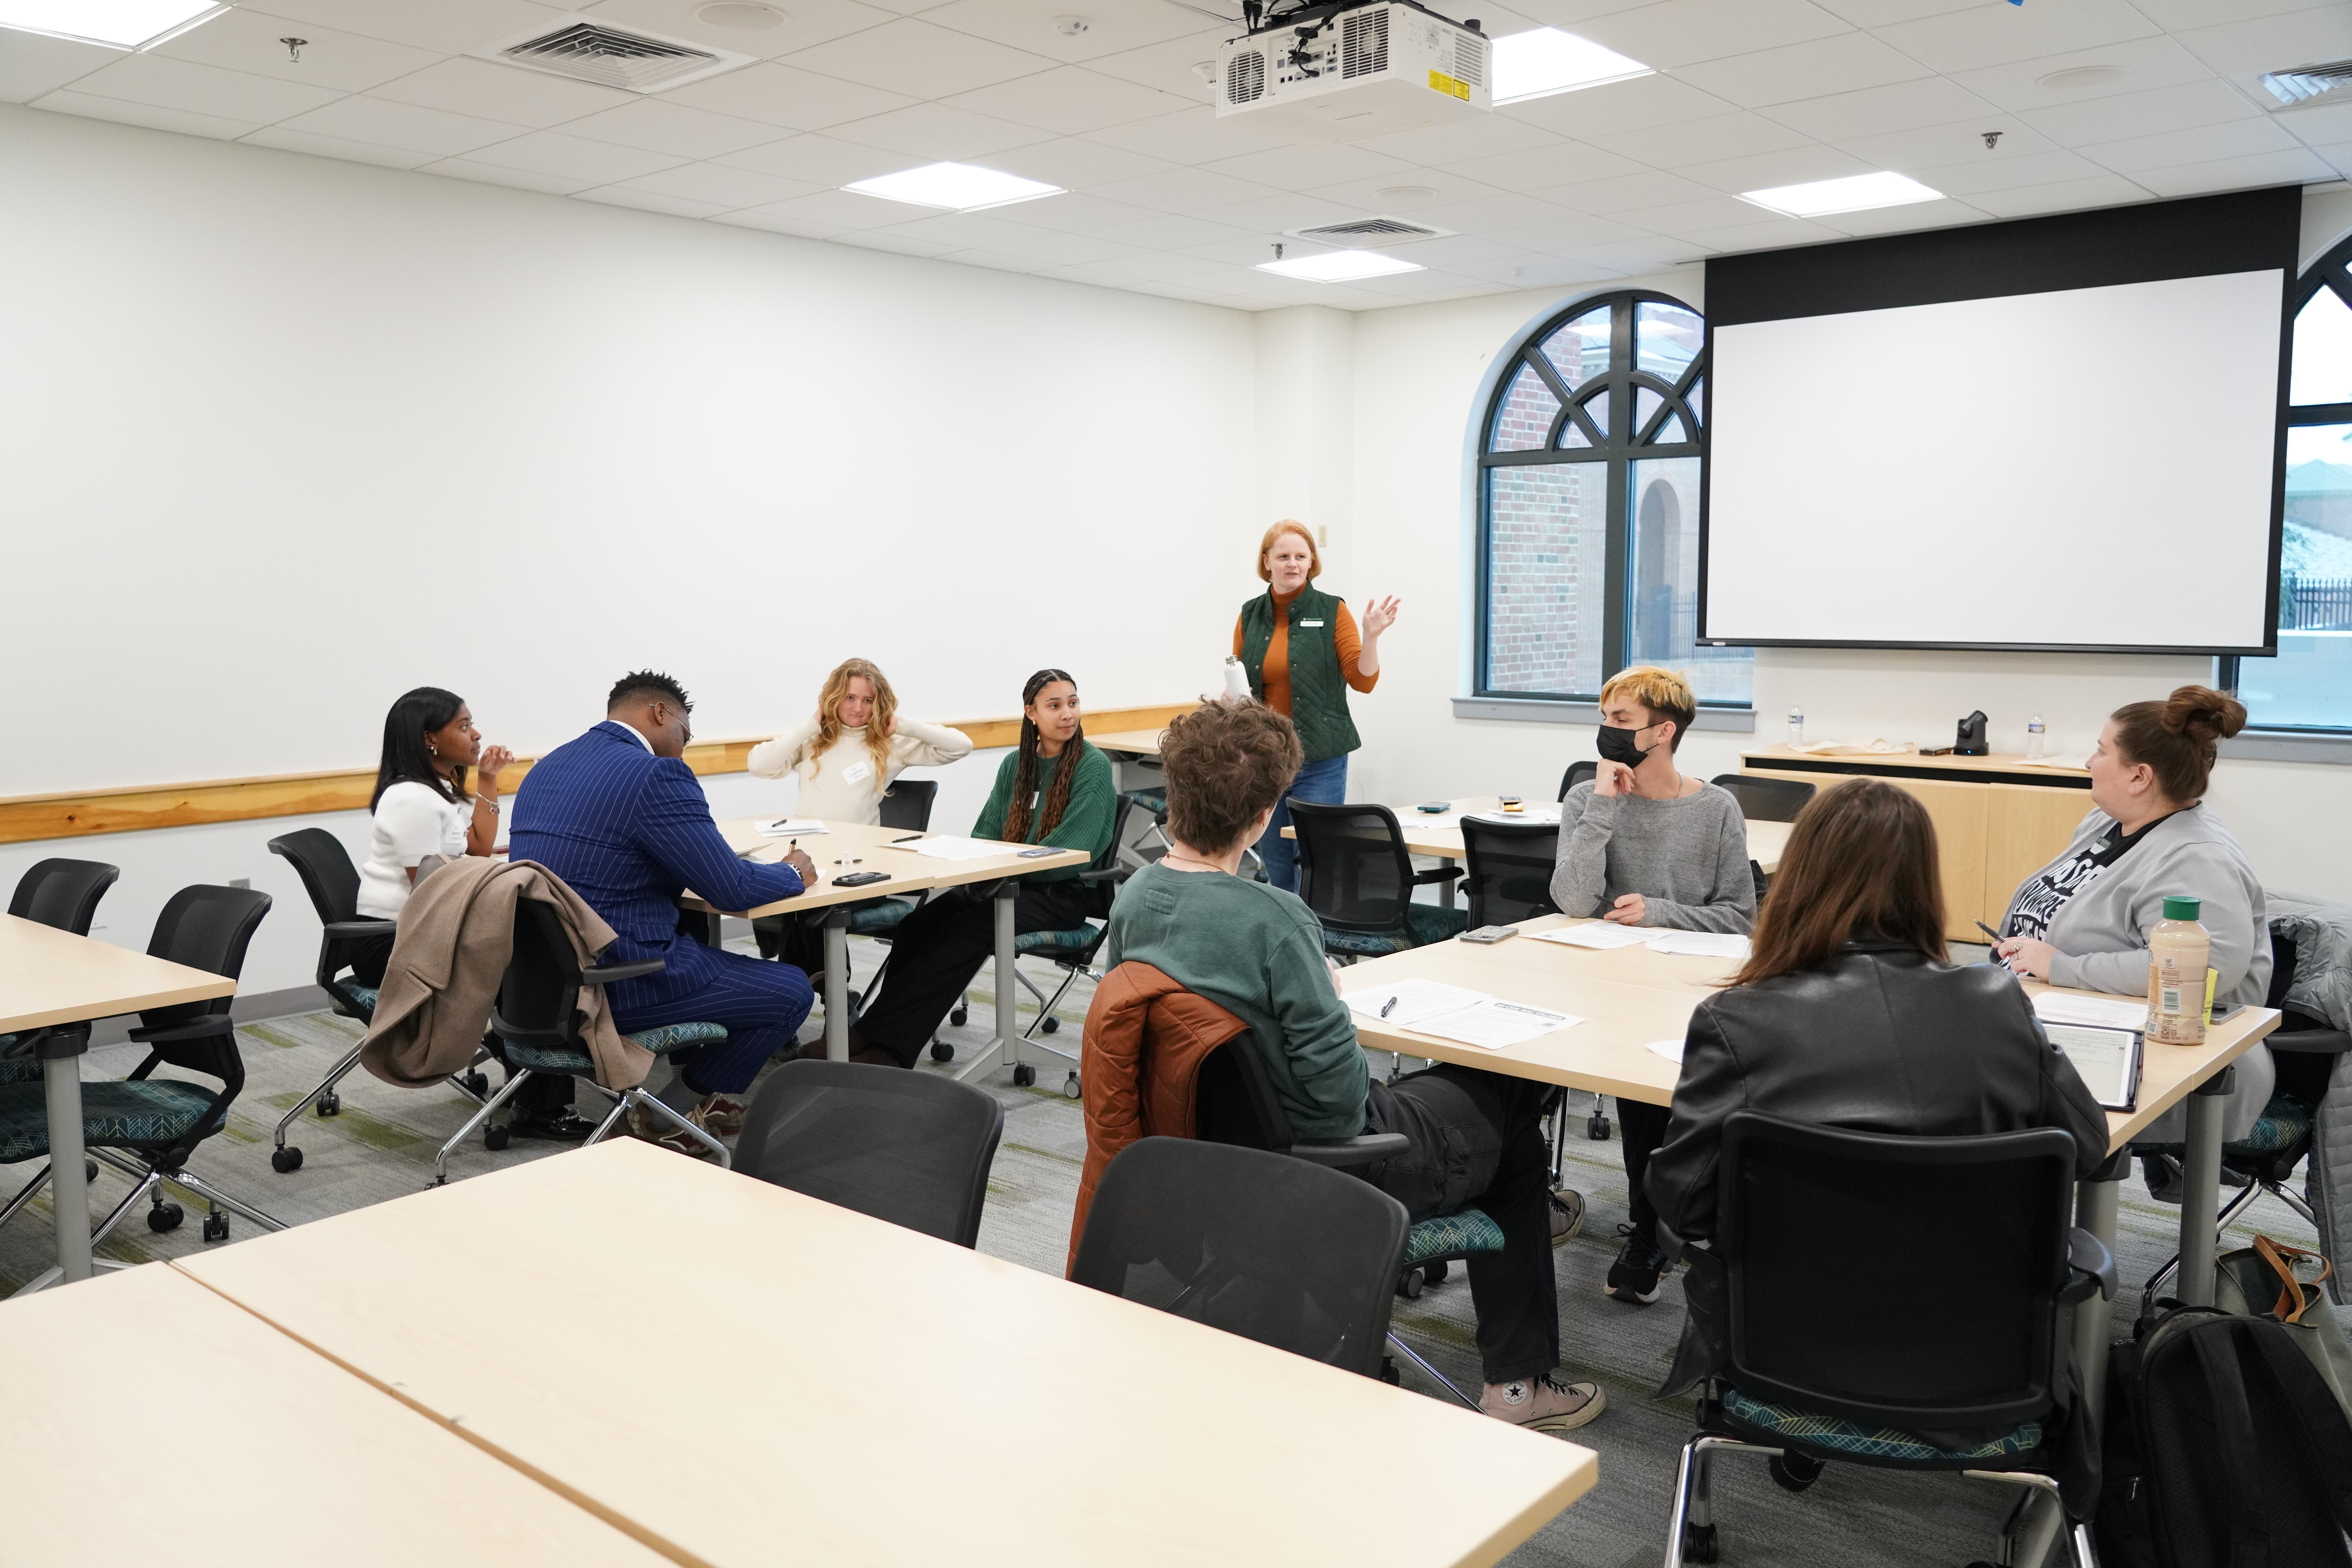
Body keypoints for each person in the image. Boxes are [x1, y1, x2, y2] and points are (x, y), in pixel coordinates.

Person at [1103, 697, 1599, 1432]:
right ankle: (1517, 1387)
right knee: (1516, 1110)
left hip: (1205, 1160)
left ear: (1173, 794)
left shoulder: (1136, 896)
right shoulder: (1277, 923)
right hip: (1332, 1160)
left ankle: (1501, 1246)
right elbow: (1340, 1106)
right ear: (1268, 813)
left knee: (1480, 1102)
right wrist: (1330, 1001)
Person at [1645, 779, 2109, 1484]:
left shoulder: (1737, 1022)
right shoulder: (1996, 1006)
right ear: (1925, 884)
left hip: (1781, 1353)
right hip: (1981, 1361)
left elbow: (1682, 1204)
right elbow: (2089, 1145)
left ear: (1798, 879)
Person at [508, 671, 820, 1152]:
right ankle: (666, 1114)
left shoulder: (548, 769)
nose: (684, 750)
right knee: (791, 990)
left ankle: (695, 1103)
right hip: (620, 985)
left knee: (694, 929)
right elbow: (733, 889)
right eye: (685, 735)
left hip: (539, 985)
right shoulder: (656, 774)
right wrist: (793, 873)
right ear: (660, 713)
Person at [1993, 685, 2275, 1186]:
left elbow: (2207, 969)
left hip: (2173, 1061)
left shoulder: (2196, 856)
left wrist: (2062, 967)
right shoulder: (2107, 823)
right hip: (2058, 1023)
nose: (2088, 762)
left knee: (1972, 1093)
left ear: (2140, 776)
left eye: (2102, 751)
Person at [1549, 664, 1754, 1306]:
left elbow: (1741, 917)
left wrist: (1661, 911)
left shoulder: (1716, 809)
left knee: (1652, 1107)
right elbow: (1575, 901)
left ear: (1663, 733)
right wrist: (1605, 807)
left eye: (1621, 721)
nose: (1605, 732)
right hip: (1601, 983)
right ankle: (1578, 1213)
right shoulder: (1587, 798)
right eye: (1605, 718)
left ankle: (1651, 1234)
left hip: (1683, 989)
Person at [842, 669, 1117, 1069]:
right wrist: (985, 867)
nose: (1067, 714)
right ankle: (873, 1036)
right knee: (917, 927)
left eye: (1072, 703)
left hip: (1058, 894)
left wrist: (1002, 867)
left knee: (961, 933)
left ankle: (885, 1048)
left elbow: (1069, 851)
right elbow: (984, 833)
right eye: (1054, 705)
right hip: (1002, 885)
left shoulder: (1091, 766)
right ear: (1031, 713)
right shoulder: (1015, 765)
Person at [353, 689, 580, 1140]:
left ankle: (533, 1089)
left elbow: (477, 848)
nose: (476, 734)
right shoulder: (411, 799)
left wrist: (488, 779)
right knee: (529, 967)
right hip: (394, 943)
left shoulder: (435, 791)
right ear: (429, 739)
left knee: (523, 957)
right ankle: (540, 1106)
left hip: (420, 931)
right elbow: (431, 890)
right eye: (463, 726)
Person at [746, 658, 971, 966]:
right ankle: (819, 984)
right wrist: (813, 724)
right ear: (834, 699)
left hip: (859, 872)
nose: (858, 708)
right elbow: (760, 765)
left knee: (809, 904)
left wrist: (902, 724)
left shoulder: (890, 744)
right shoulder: (815, 741)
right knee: (791, 895)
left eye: (868, 701)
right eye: (850, 698)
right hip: (809, 865)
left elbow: (961, 746)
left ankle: (816, 984)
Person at [1232, 520, 1398, 893]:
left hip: (1320, 759)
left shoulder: (1331, 610)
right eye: (1284, 556)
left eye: (1301, 557)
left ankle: (1313, 942)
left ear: (1311, 564)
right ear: (1267, 562)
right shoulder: (1250, 614)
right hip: (1266, 760)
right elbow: (1240, 676)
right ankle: (1282, 942)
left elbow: (1363, 680)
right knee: (1275, 859)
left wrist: (1371, 638)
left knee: (1314, 859)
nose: (1293, 564)